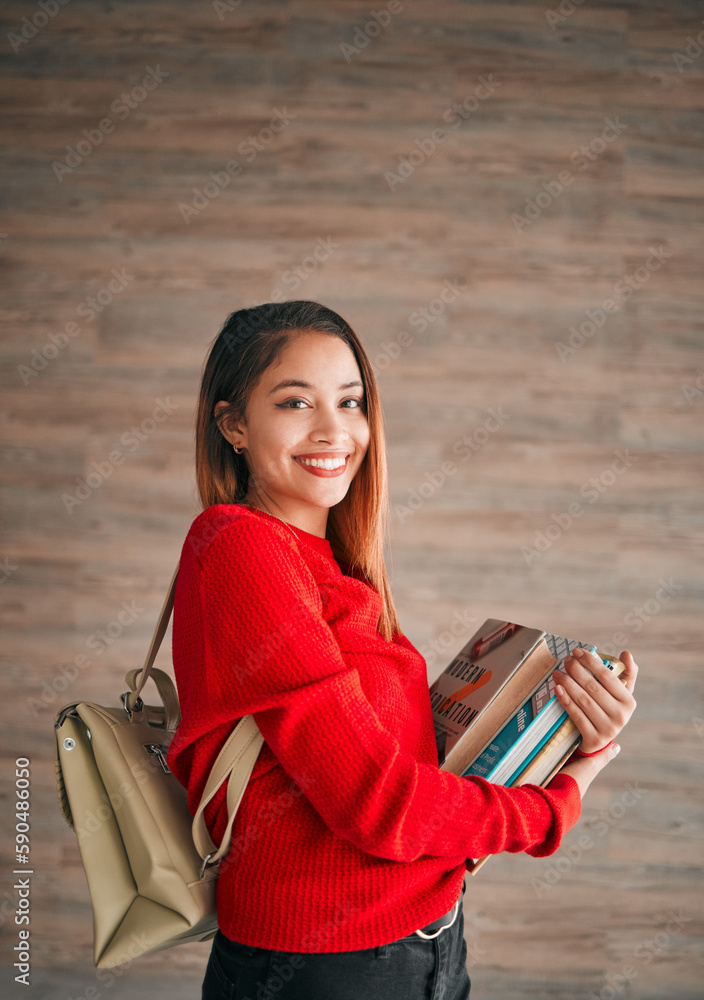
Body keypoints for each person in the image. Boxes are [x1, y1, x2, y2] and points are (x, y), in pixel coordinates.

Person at [166, 300, 638, 1000]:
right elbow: (377, 802)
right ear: (233, 423)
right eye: (295, 402)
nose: (334, 430)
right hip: (329, 969)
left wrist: (564, 736)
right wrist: (559, 803)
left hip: (429, 936)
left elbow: (408, 768)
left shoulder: (334, 568)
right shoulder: (244, 547)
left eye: (350, 402)